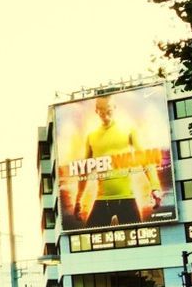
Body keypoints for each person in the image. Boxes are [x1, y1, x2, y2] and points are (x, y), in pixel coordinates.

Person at [70, 94, 165, 229]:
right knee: (89, 241)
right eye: (101, 112)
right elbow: (84, 170)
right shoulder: (91, 137)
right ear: (96, 110)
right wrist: (78, 200)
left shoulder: (128, 130)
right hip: (102, 200)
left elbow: (145, 159)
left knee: (140, 243)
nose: (105, 116)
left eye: (108, 111)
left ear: (114, 108)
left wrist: (155, 187)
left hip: (127, 198)